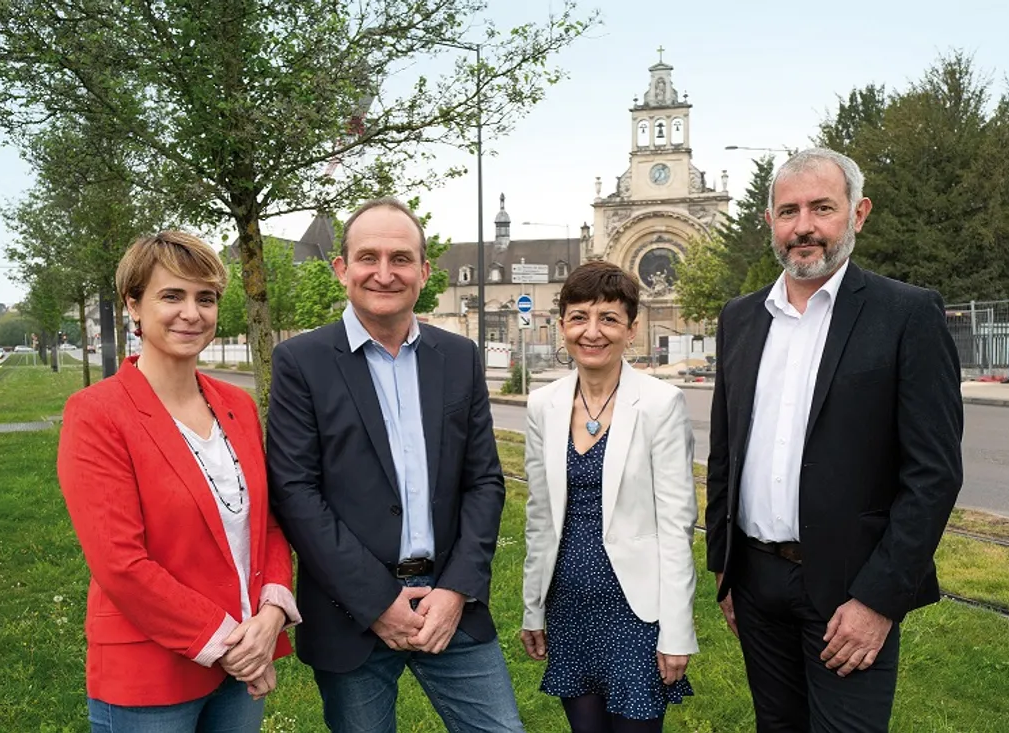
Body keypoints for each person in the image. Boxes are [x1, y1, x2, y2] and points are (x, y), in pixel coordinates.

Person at [705, 148, 964, 732]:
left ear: (858, 213)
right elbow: (726, 452)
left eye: (822, 208)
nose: (804, 227)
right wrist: (723, 569)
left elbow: (934, 475)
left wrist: (878, 601)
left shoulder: (907, 314)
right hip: (755, 580)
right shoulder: (740, 318)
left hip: (852, 588)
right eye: (789, 210)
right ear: (769, 220)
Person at [266, 197, 523, 732]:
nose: (384, 273)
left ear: (424, 273)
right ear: (341, 269)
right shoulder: (301, 362)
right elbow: (295, 492)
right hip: (350, 610)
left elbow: (484, 481)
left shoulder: (459, 357)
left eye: (401, 259)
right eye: (368, 257)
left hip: (452, 601)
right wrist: (377, 601)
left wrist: (456, 590)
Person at [57, 231, 300, 732]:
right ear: (134, 305)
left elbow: (268, 525)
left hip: (242, 665)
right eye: (172, 295)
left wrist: (272, 614)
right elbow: (120, 564)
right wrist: (231, 642)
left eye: (205, 298)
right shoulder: (97, 413)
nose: (192, 313)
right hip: (151, 674)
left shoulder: (237, 406)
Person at [521, 261, 698, 733]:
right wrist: (532, 608)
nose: (592, 332)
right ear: (562, 326)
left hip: (636, 612)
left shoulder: (660, 404)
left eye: (609, 319)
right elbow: (539, 517)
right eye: (579, 317)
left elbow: (678, 526)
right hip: (569, 607)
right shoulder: (544, 404)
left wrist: (677, 631)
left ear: (631, 329)